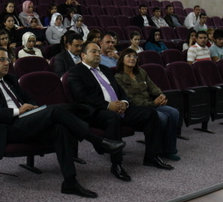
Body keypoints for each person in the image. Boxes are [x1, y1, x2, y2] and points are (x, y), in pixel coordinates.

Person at [0, 46, 125, 198]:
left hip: (25, 120)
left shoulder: (11, 79)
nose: (6, 63)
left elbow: (28, 98)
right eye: (2, 60)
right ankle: (98, 141)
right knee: (55, 110)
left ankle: (70, 182)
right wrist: (18, 111)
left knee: (60, 128)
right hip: (5, 127)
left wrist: (32, 108)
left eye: (8, 60)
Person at [68, 42, 172, 182]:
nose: (98, 54)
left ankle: (152, 156)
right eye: (94, 51)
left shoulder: (105, 69)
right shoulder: (75, 72)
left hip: (118, 107)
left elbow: (119, 90)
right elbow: (81, 96)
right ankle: (117, 164)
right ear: (83, 55)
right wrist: (107, 105)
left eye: (99, 51)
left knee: (150, 113)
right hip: (96, 112)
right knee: (113, 118)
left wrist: (124, 102)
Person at [115, 48, 180, 161]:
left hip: (150, 103)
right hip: (137, 107)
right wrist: (153, 103)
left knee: (174, 113)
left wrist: (160, 95)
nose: (132, 58)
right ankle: (158, 148)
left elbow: (152, 87)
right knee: (162, 117)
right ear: (122, 59)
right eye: (129, 56)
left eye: (134, 56)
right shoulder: (118, 77)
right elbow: (129, 98)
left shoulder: (141, 72)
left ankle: (169, 149)